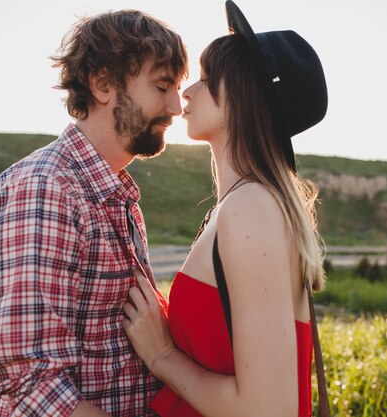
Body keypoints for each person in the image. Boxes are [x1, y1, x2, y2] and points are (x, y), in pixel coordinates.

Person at [0, 10, 187, 417]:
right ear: (103, 83)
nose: (176, 106)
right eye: (162, 86)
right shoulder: (44, 191)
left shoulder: (111, 194)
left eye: (177, 88)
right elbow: (34, 384)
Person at [122, 1, 328, 416]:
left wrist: (162, 356)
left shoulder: (251, 209)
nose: (187, 93)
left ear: (242, 96)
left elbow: (269, 410)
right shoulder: (240, 207)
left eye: (205, 78)